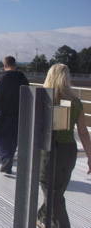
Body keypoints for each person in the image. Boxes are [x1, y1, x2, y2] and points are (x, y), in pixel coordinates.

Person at [36, 64, 91, 228]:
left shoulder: (43, 101)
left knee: (54, 195)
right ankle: (41, 217)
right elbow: (83, 133)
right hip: (69, 152)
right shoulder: (75, 102)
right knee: (57, 192)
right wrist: (89, 156)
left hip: (49, 151)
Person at [0, 56, 29, 174]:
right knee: (12, 139)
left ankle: (6, 159)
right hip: (19, 114)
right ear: (14, 65)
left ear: (5, 65)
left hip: (3, 114)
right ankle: (9, 161)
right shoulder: (22, 78)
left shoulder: (2, 78)